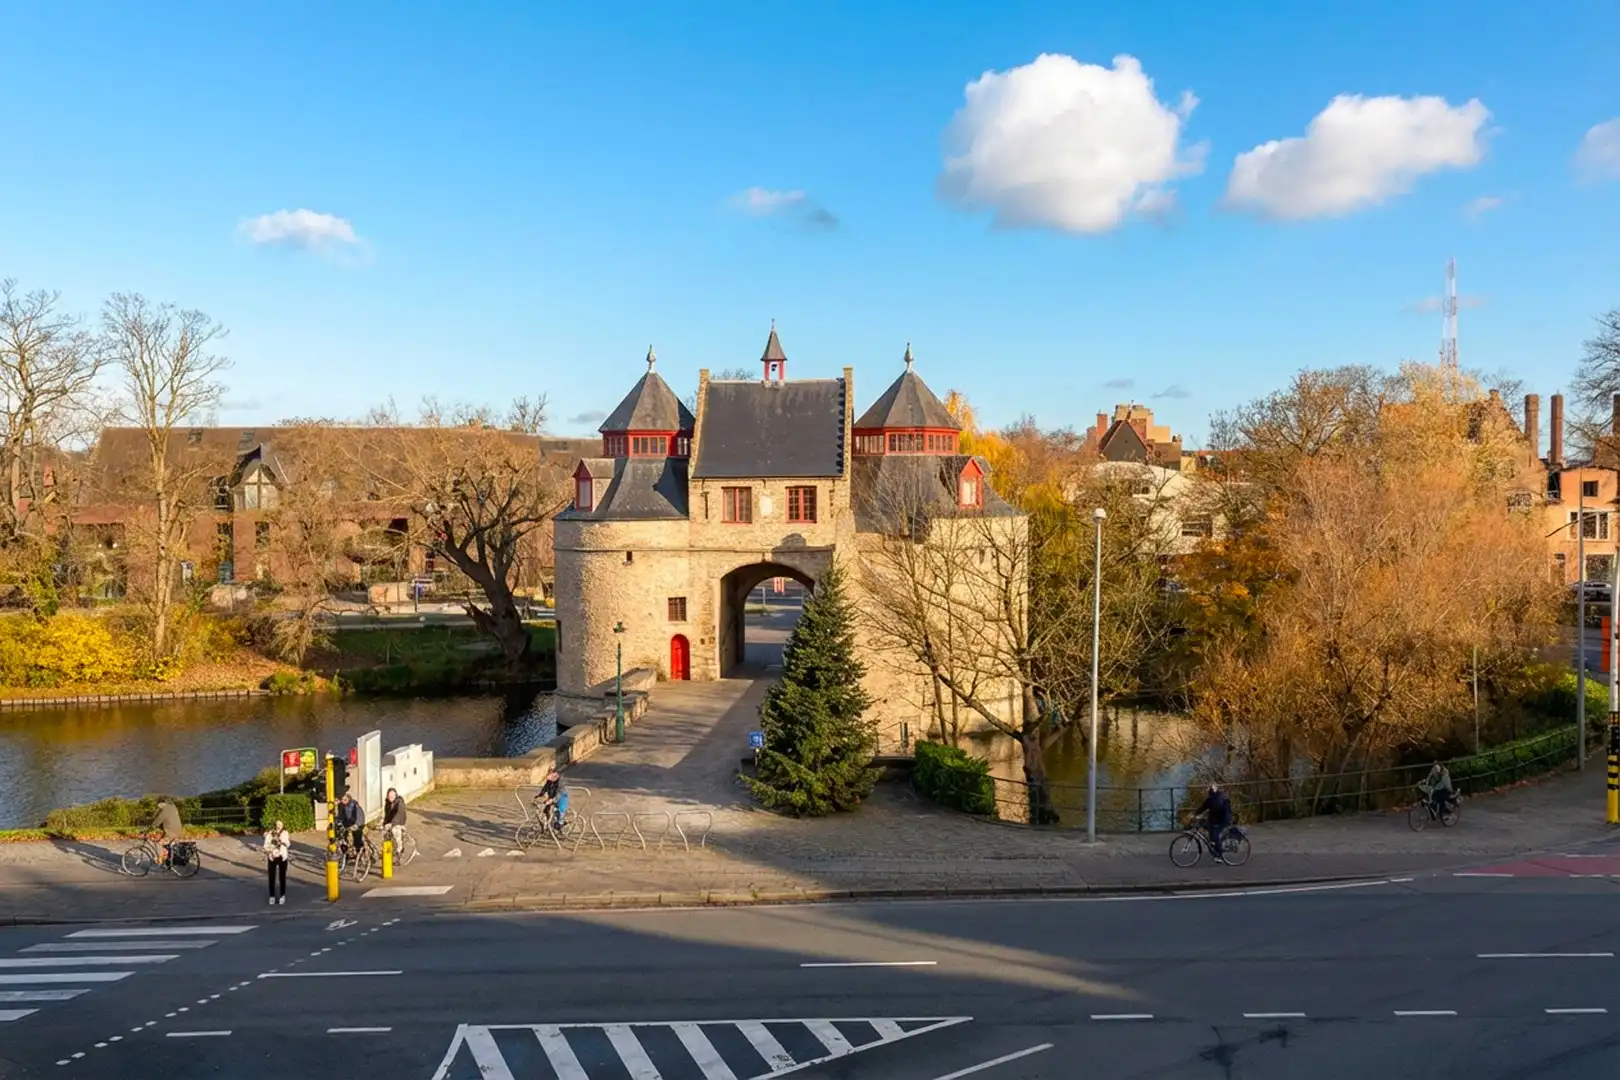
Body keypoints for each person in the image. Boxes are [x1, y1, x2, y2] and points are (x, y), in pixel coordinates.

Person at [1198, 783, 1234, 864]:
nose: (1208, 793)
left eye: (1209, 791)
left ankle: (1220, 854)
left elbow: (1224, 811)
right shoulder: (1210, 799)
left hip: (1223, 820)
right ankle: (1215, 852)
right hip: (1214, 819)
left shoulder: (1222, 798)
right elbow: (1203, 807)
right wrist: (1195, 814)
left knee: (1215, 835)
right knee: (1210, 833)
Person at [263, 819, 291, 906]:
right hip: (272, 857)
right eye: (277, 824)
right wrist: (269, 852)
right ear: (275, 825)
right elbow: (265, 846)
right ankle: (272, 896)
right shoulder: (270, 834)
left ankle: (282, 896)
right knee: (271, 877)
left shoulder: (285, 833)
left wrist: (282, 841)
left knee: (282, 877)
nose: (279, 826)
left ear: (282, 825)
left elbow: (288, 844)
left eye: (280, 824)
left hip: (282, 857)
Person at [149, 799, 183, 867]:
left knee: (159, 843)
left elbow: (158, 820)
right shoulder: (172, 807)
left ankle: (160, 861)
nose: (158, 807)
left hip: (171, 832)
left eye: (159, 805)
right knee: (165, 844)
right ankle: (165, 860)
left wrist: (150, 828)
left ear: (162, 803)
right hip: (177, 830)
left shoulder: (165, 810)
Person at [336, 792, 365, 860]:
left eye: (345, 800)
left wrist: (357, 825)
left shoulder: (354, 805)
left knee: (357, 838)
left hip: (357, 823)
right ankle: (346, 855)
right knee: (342, 837)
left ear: (349, 799)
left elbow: (360, 816)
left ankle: (359, 853)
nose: (343, 801)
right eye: (342, 800)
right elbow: (341, 816)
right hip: (347, 823)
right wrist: (337, 822)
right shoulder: (341, 805)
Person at [382, 788, 407, 854]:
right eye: (389, 795)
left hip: (399, 821)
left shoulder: (399, 802)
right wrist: (384, 823)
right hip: (391, 821)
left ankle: (400, 847)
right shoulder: (387, 803)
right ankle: (388, 853)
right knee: (385, 834)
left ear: (396, 795)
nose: (391, 797)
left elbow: (399, 814)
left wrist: (392, 823)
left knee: (395, 830)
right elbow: (387, 815)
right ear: (387, 796)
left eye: (393, 795)